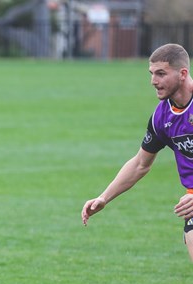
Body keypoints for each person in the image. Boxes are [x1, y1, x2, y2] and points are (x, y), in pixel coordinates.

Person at [82, 43, 193, 261]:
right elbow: (141, 164)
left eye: (161, 74)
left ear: (183, 74)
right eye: (152, 74)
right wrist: (104, 197)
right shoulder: (162, 117)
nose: (154, 81)